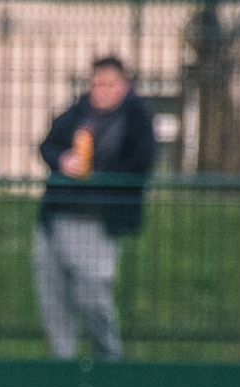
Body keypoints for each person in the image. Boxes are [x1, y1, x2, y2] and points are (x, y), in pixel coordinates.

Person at [34, 58, 160, 361]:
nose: (100, 91)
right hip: (57, 217)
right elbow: (46, 146)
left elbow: (141, 164)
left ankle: (107, 357)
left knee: (93, 296)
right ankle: (62, 361)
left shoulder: (136, 120)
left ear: (124, 86)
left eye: (109, 84)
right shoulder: (75, 114)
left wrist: (101, 177)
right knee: (54, 298)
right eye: (96, 83)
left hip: (98, 222)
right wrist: (63, 160)